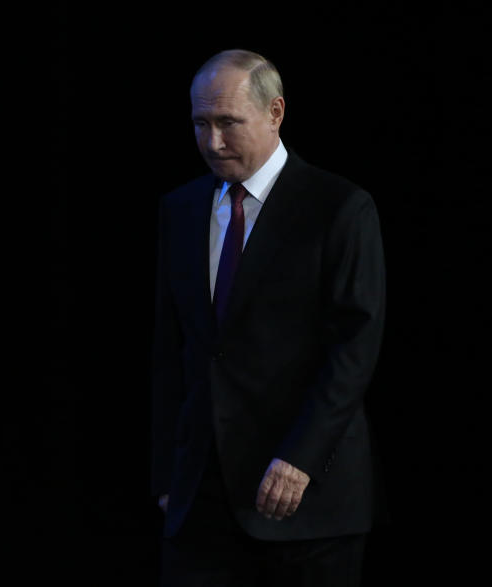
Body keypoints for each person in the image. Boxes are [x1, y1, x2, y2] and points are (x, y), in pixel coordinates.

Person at [150, 49, 386, 586]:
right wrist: (167, 474)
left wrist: (299, 459)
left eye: (228, 123)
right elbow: (170, 350)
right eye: (200, 124)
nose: (212, 143)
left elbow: (354, 346)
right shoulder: (181, 208)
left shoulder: (339, 208)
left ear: (275, 112)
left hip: (305, 501)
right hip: (200, 503)